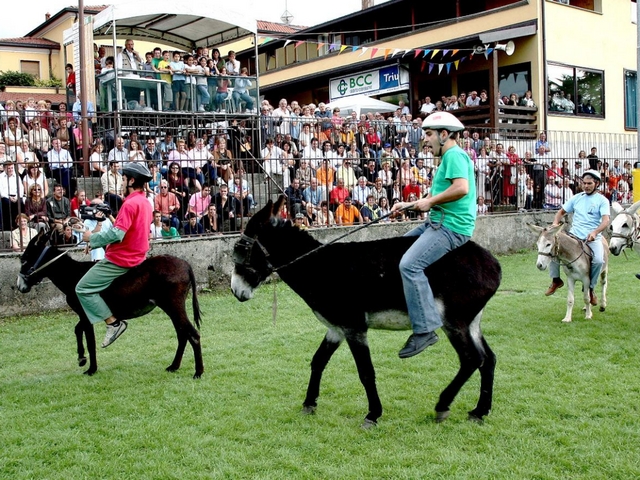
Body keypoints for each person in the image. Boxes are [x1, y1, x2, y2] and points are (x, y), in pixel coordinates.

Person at [390, 111, 476, 358]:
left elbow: (461, 188)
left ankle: (425, 328)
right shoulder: (449, 158)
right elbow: (433, 198)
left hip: (451, 227)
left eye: (428, 135)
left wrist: (431, 202)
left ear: (444, 134)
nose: (425, 140)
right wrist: (406, 206)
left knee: (409, 265)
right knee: (396, 250)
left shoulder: (454, 155)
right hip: (437, 222)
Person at [76, 162, 153, 349]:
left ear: (131, 180)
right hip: (139, 257)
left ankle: (113, 323)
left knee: (82, 288)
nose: (122, 182)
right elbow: (130, 233)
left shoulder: (130, 203)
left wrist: (91, 238)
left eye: (124, 178)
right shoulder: (145, 202)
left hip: (121, 260)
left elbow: (117, 234)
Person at [545, 170, 610, 305]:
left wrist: (595, 232)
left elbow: (605, 221)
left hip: (592, 238)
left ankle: (591, 289)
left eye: (589, 183)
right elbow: (560, 212)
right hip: (574, 236)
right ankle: (556, 279)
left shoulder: (602, 200)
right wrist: (555, 224)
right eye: (584, 183)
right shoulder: (577, 197)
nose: (586, 186)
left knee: (598, 260)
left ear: (596, 183)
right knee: (553, 250)